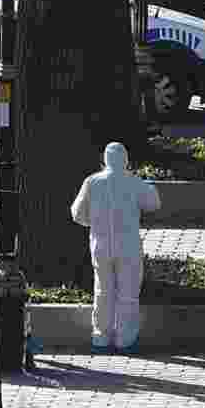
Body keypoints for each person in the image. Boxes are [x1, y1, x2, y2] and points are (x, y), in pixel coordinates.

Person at [71, 142, 161, 354]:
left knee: (102, 290)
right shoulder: (133, 181)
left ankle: (101, 337)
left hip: (100, 244)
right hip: (127, 245)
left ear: (105, 159)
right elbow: (154, 203)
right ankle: (125, 339)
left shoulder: (92, 181)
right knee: (128, 292)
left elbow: (77, 213)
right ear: (126, 160)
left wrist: (92, 223)